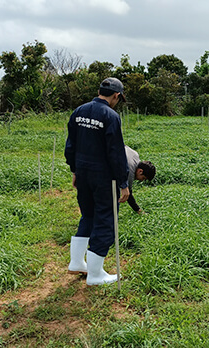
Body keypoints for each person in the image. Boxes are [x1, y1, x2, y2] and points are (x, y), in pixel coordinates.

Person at [64, 77, 129, 286]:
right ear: (116, 96)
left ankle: (76, 262)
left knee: (88, 216)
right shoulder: (111, 116)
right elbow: (116, 152)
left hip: (82, 172)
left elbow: (70, 145)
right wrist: (123, 182)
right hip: (103, 177)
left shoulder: (79, 111)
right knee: (105, 220)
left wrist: (74, 170)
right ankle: (95, 274)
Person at [125, 145, 156, 214]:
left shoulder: (135, 154)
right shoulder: (130, 171)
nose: (141, 180)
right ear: (140, 171)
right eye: (143, 178)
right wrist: (138, 210)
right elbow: (128, 194)